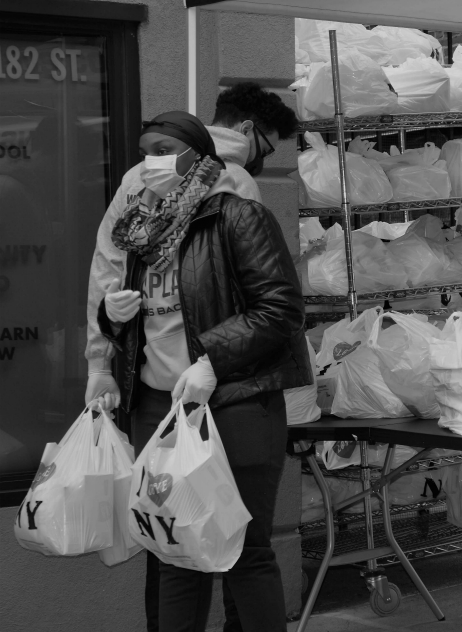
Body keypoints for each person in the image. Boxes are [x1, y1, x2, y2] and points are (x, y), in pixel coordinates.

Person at [93, 111, 310, 632]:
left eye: (163, 149)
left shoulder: (237, 217)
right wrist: (111, 321)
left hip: (235, 404)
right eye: (144, 151)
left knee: (243, 551)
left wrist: (212, 361)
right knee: (174, 551)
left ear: (197, 156)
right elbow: (147, 319)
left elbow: (280, 310)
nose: (151, 162)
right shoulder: (142, 231)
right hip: (157, 408)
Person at [84, 82, 297, 416]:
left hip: (158, 383)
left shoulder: (134, 181)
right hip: (223, 389)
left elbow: (106, 269)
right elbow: (254, 292)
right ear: (246, 130)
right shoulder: (237, 181)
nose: (262, 159)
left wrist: (98, 362)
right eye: (266, 150)